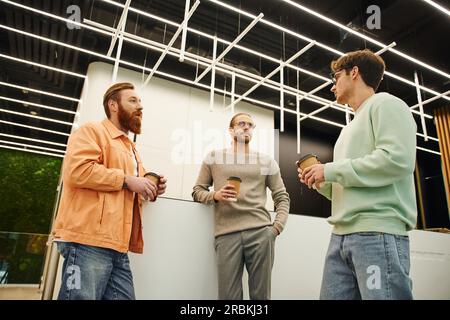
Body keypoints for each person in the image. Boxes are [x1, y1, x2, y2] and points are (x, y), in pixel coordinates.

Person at [298, 49, 417, 299]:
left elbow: (395, 160)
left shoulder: (387, 104)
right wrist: (322, 181)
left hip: (377, 233)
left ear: (354, 72)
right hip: (340, 236)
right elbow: (351, 184)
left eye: (336, 77)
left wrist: (329, 170)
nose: (332, 87)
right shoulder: (347, 130)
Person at [52, 82, 167, 300]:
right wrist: (127, 180)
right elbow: (78, 171)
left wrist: (150, 187)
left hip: (117, 245)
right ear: (113, 105)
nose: (139, 106)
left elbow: (133, 187)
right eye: (133, 101)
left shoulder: (130, 148)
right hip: (88, 241)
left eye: (140, 102)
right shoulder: (91, 131)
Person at [192, 113, 290, 300]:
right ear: (231, 130)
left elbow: (282, 196)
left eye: (251, 125)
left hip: (261, 233)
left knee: (261, 297)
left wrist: (276, 228)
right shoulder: (213, 158)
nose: (246, 127)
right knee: (228, 297)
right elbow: (197, 191)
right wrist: (216, 195)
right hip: (226, 235)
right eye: (241, 123)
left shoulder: (266, 161)